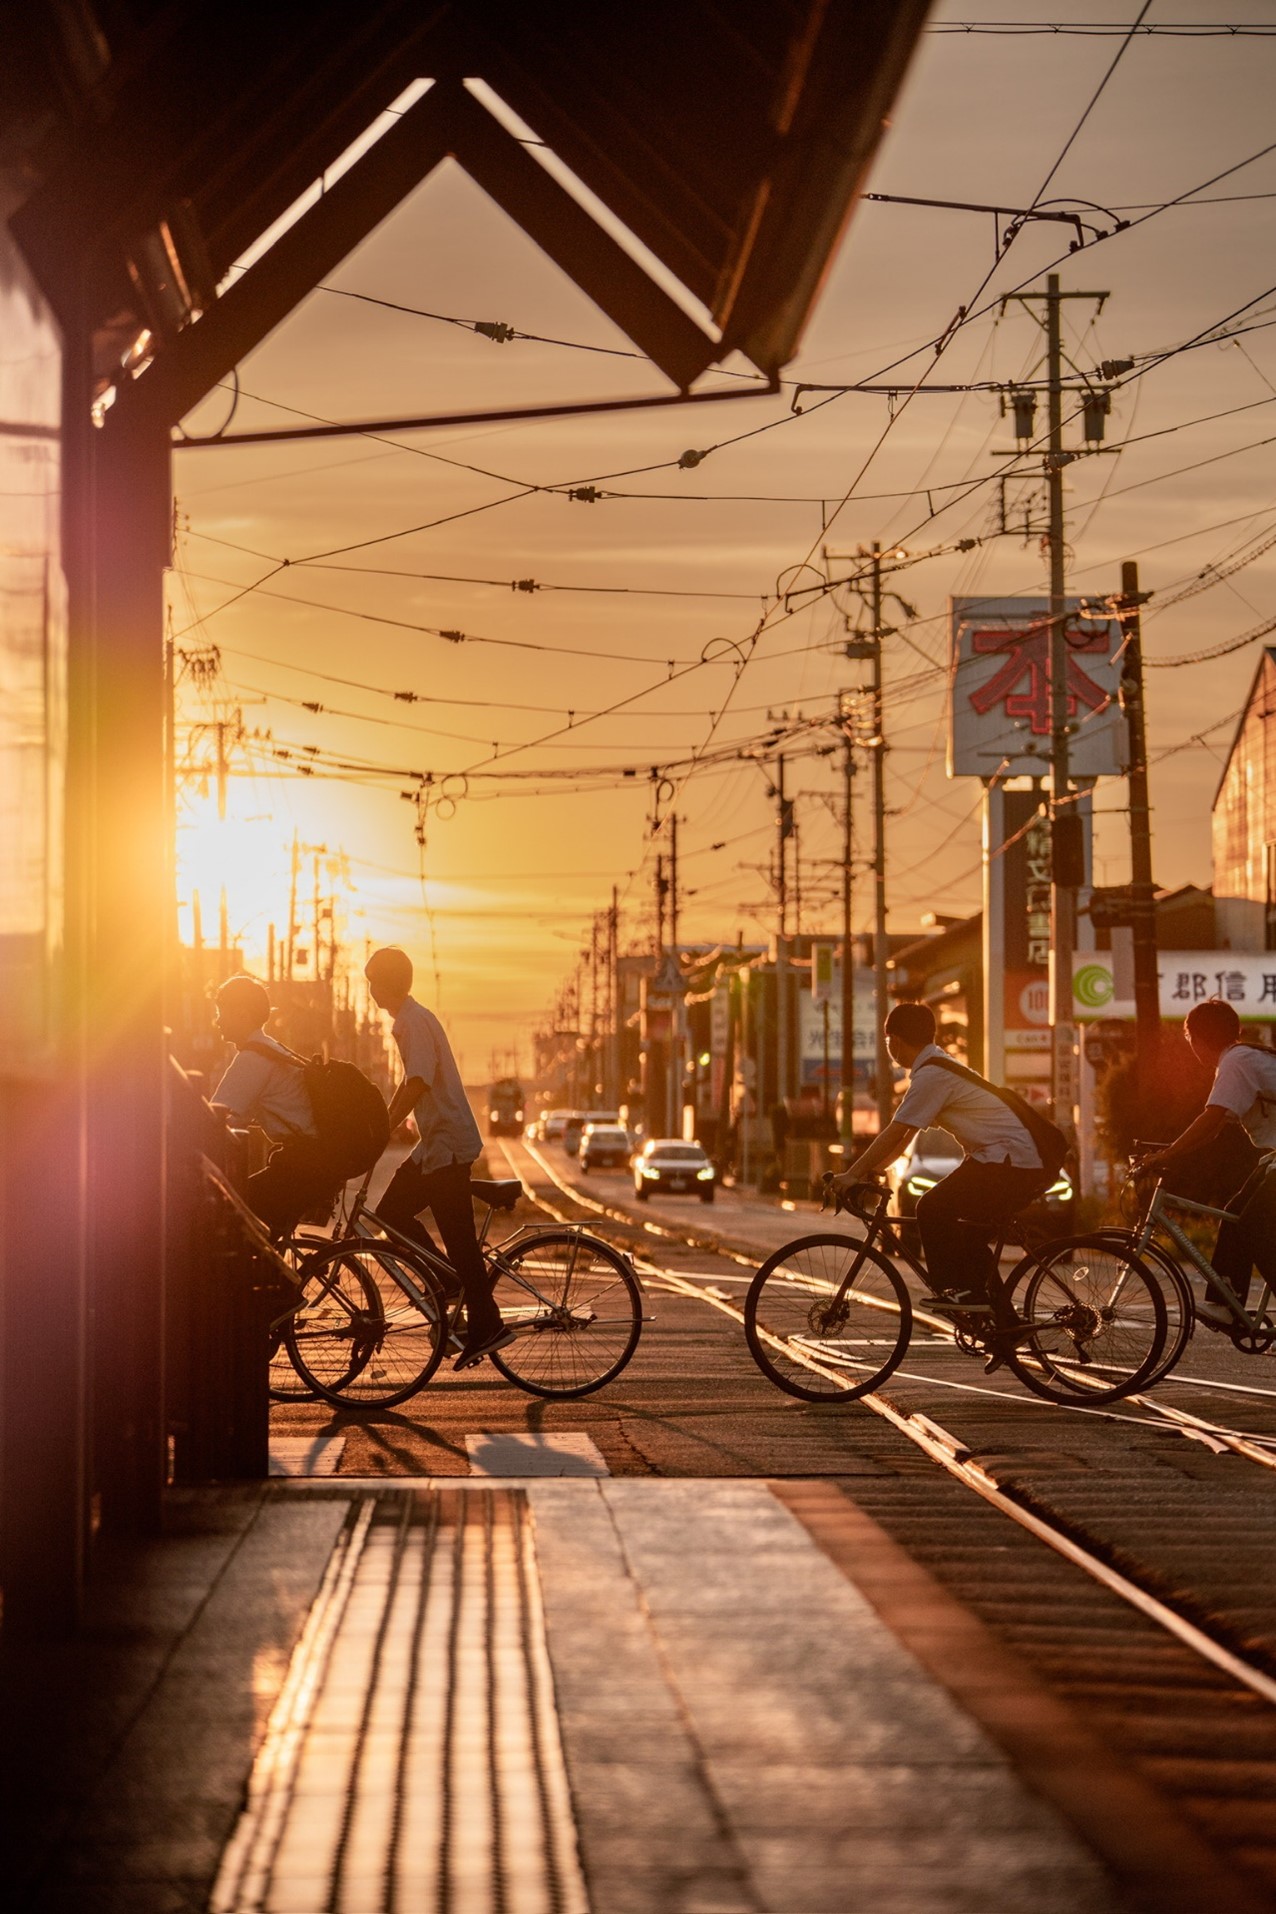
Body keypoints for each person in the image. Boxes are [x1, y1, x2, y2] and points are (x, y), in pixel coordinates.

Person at [830, 1000, 1050, 1312]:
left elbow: (895, 1131)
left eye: (887, 1040)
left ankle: (956, 1291)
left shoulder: (932, 1075)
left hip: (1010, 1162)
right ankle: (1005, 1325)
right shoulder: (935, 1067)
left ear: (896, 1041)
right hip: (1008, 1161)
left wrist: (852, 1173)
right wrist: (876, 1169)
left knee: (931, 1208)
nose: (887, 1046)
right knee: (968, 1235)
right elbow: (906, 1136)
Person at [365, 946, 514, 1369]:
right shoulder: (412, 1019)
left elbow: (416, 1083)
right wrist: (389, 1120)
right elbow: (413, 1083)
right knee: (391, 1213)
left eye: (373, 981)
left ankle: (484, 1320)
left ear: (387, 984)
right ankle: (448, 1282)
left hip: (446, 1144)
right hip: (437, 1143)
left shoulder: (411, 1022)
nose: (370, 990)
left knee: (459, 1243)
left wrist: (385, 1124)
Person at [1138, 998, 1276, 1330]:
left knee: (1253, 1225)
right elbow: (1213, 1130)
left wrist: (1168, 1154)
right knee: (1235, 1215)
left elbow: (1211, 1117)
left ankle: (1226, 1303)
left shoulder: (1236, 1061)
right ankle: (1226, 1303)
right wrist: (1169, 1152)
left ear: (1197, 1040)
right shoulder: (1242, 1058)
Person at [209, 974, 338, 1238]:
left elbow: (216, 1116)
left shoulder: (253, 1057)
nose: (218, 1020)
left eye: (222, 1012)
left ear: (242, 1013)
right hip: (314, 1161)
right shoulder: (269, 1047)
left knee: (231, 1214)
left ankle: (262, 1279)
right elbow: (236, 1118)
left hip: (302, 1164)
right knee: (253, 1224)